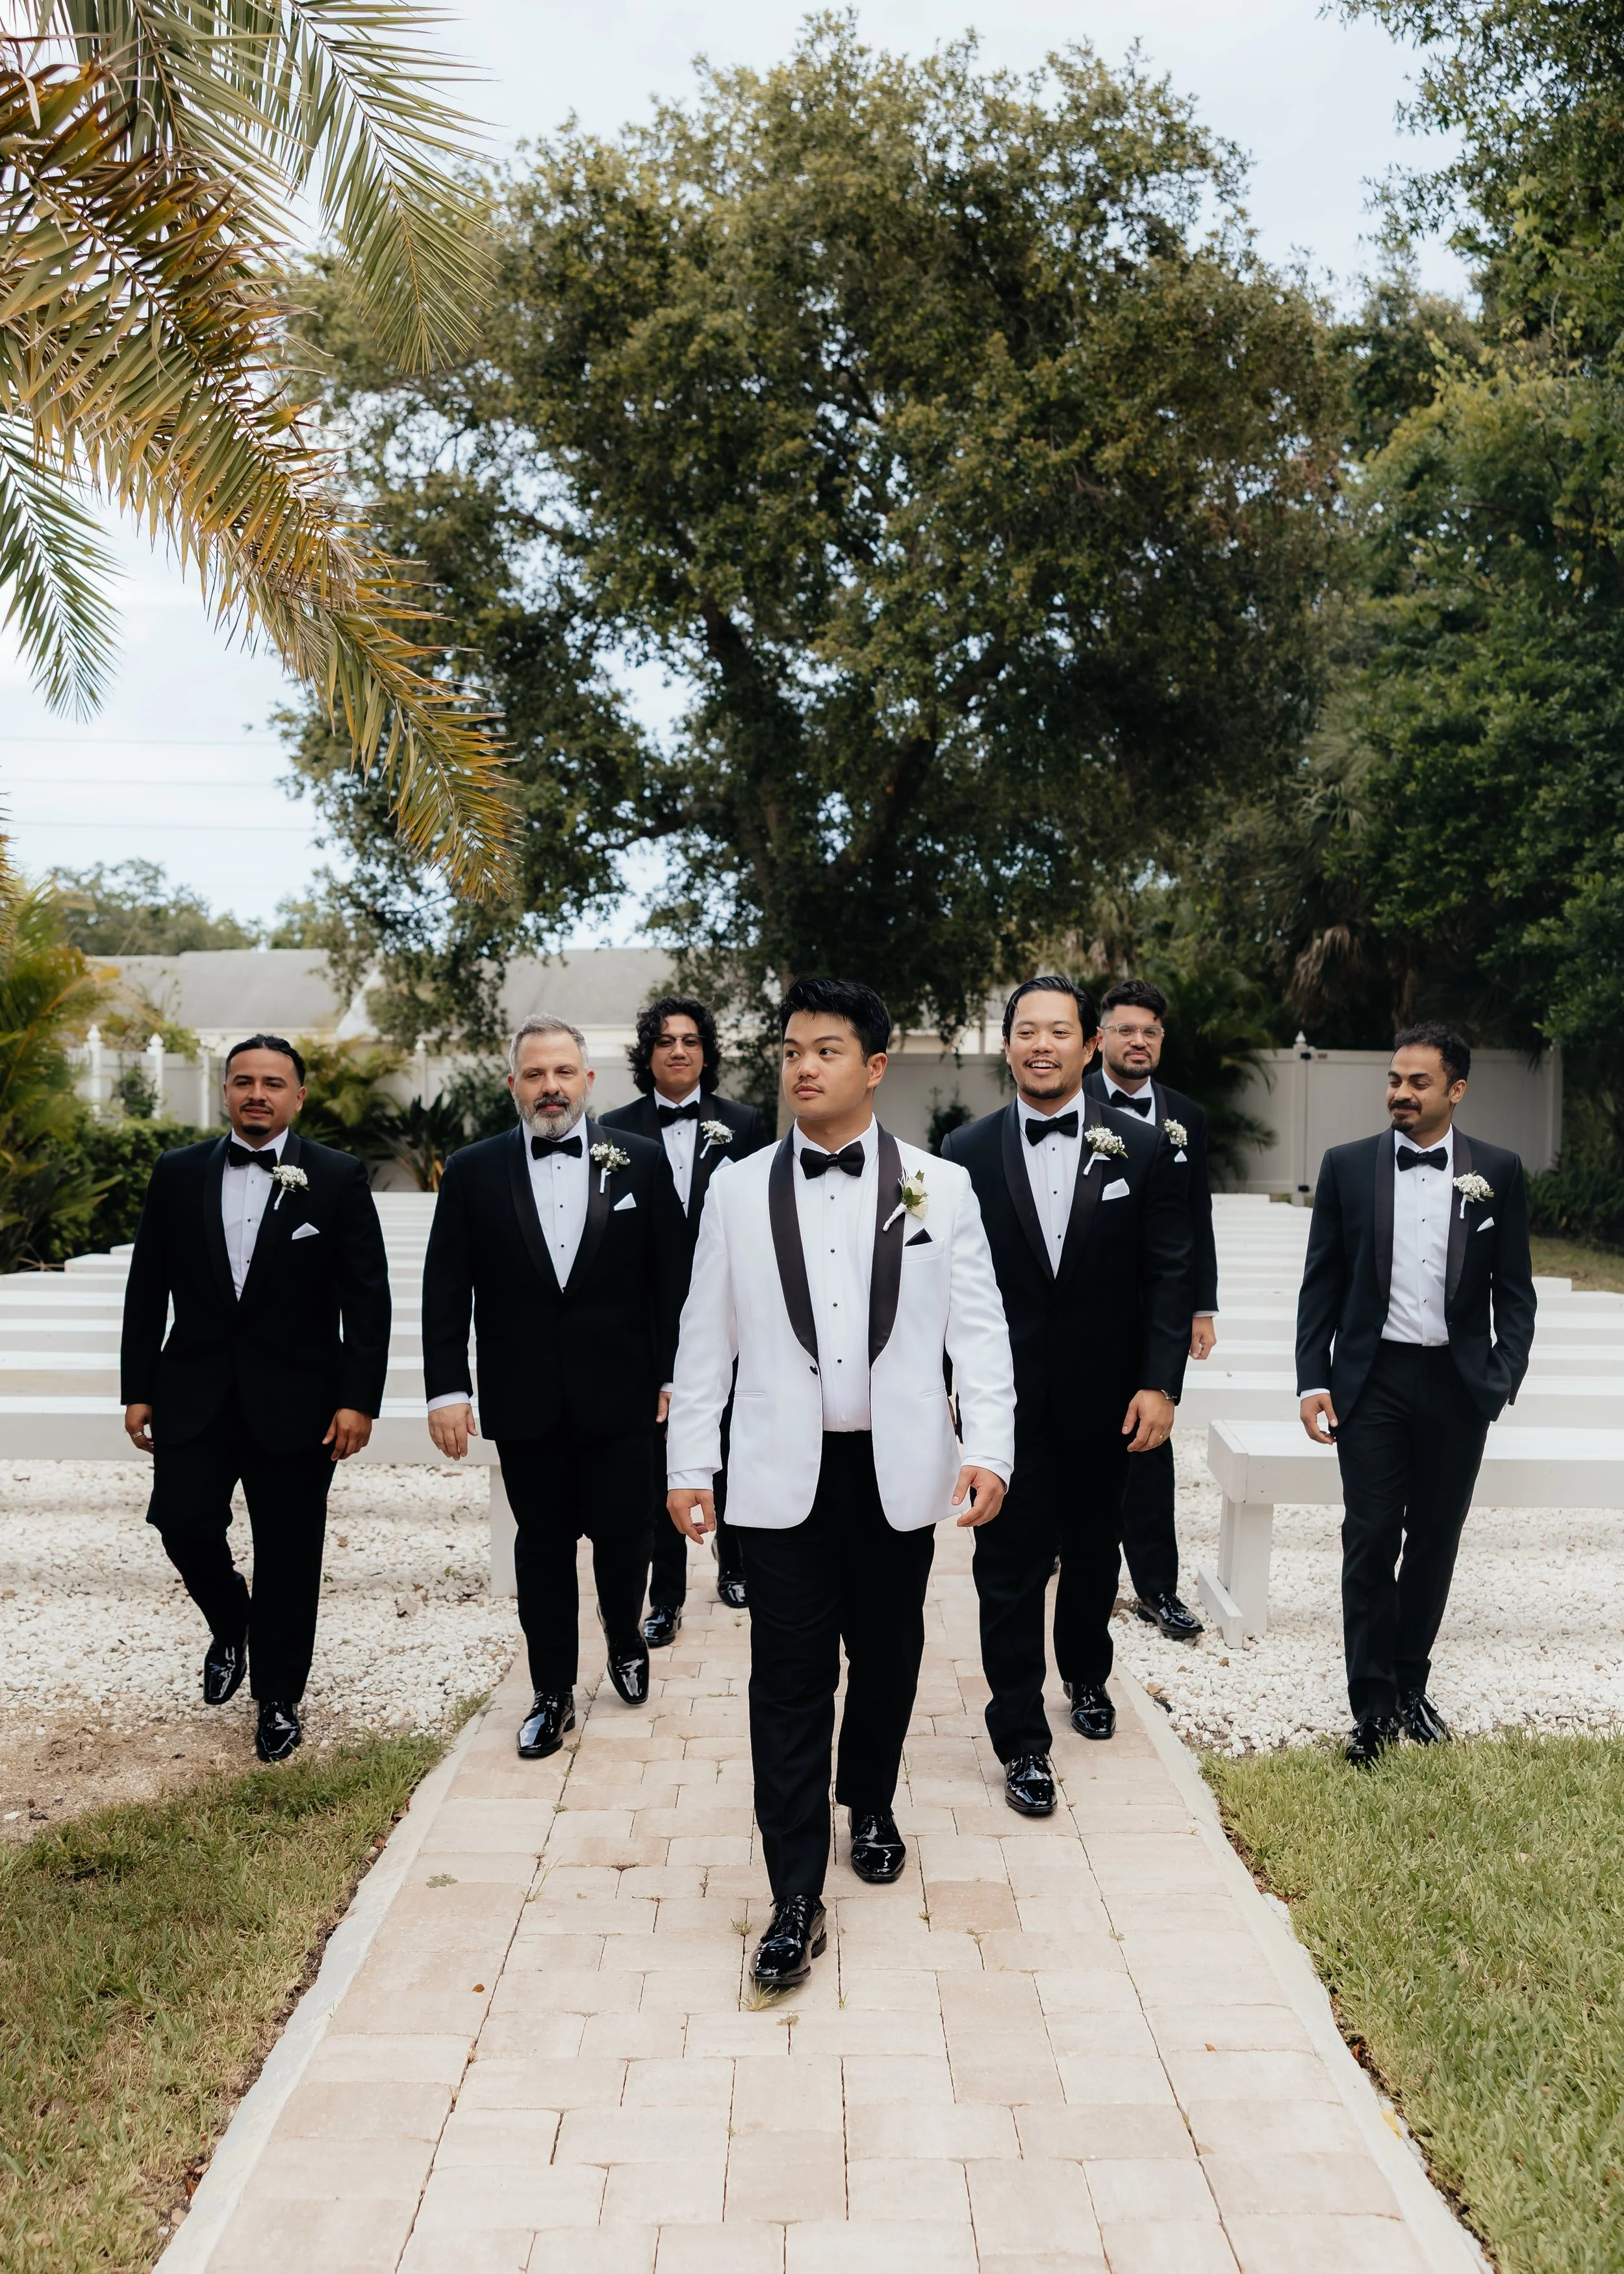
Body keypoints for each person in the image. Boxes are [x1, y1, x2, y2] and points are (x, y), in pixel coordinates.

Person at [666, 975, 1015, 1988]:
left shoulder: (938, 1187)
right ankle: (792, 1893)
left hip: (897, 1472)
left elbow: (979, 1331)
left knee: (891, 1656)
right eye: (789, 1051)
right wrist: (692, 1462)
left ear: (873, 1066)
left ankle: (869, 1799)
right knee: (787, 1679)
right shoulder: (735, 1188)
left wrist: (988, 1446)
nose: (803, 1067)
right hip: (779, 1477)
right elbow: (704, 1340)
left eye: (824, 1050)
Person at [942, 977, 1191, 1814]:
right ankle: (1019, 1736)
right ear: (1006, 1045)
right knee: (1005, 1567)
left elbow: (1168, 1273)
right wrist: (952, 1388)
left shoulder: (1143, 1148)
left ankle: (1086, 1673)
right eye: (1025, 1031)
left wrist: (1161, 1383)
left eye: (1059, 1030)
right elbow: (937, 1279)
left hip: (1108, 1398)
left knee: (1093, 1552)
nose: (1041, 1044)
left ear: (1089, 1046)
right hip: (1003, 1402)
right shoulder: (962, 1150)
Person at [422, 1016, 689, 1761]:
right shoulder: (473, 1170)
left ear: (588, 1081)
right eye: (535, 1074)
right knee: (539, 1547)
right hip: (524, 1395)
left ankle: (624, 1638)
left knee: (622, 1536)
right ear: (513, 1084)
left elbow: (673, 1279)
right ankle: (551, 1691)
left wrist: (673, 1374)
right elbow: (446, 1287)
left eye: (563, 1073)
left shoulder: (636, 1159)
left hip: (626, 1393)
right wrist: (447, 1387)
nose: (550, 1087)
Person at [120, 1034, 390, 1763]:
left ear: (299, 1096)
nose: (257, 1093)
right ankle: (231, 1621)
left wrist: (358, 1398)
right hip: (194, 1392)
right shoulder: (176, 1173)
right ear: (226, 1090)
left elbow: (367, 1300)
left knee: (290, 1553)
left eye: (273, 1082)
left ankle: (277, 1697)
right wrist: (138, 1388)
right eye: (243, 1081)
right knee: (179, 1520)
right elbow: (147, 1288)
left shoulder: (335, 1177)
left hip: (301, 1402)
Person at [1297, 1023, 1536, 1765]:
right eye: (1395, 1079)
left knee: (1435, 1539)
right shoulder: (1345, 1166)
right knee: (1369, 1538)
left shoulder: (1496, 1169)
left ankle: (1409, 1684)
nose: (1400, 1092)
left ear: (1455, 1089)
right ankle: (1368, 1708)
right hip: (1370, 1381)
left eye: (1418, 1081)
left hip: (1457, 1385)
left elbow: (1515, 1290)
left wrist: (1500, 1378)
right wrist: (1312, 1377)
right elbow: (1322, 1282)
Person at [601, 995, 770, 1641]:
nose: (678, 1050)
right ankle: (664, 1593)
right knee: (659, 1452)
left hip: (728, 1307)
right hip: (644, 1314)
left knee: (729, 1437)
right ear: (647, 1054)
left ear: (706, 1051)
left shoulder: (745, 1122)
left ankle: (736, 1562)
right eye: (665, 1040)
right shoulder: (613, 1128)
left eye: (690, 1040)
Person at [1083, 977, 1218, 1644]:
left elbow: (1198, 1216)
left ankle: (1156, 1587)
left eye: (1150, 1031)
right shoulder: (1065, 1103)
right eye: (1126, 1029)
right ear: (1100, 1036)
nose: (1138, 1041)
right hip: (1080, 1304)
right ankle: (1073, 1563)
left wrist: (1202, 1305)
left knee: (1149, 1444)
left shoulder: (1184, 1115)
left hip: (1159, 1307)